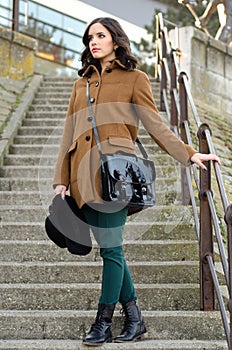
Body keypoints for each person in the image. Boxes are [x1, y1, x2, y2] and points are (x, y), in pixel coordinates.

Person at [53, 17, 220, 346]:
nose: (93, 42)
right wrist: (61, 179)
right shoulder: (80, 83)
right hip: (82, 179)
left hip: (116, 177)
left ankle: (102, 322)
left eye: (100, 35)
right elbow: (68, 134)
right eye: (89, 38)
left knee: (112, 249)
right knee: (109, 250)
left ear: (115, 39)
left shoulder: (135, 78)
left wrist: (189, 154)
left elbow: (155, 126)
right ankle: (134, 317)